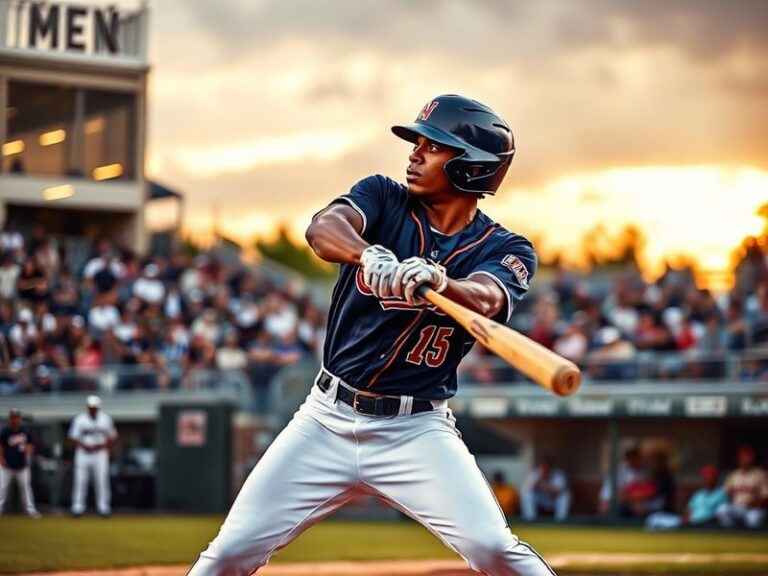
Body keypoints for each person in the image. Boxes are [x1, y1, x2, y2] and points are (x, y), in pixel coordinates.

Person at [188, 95, 555, 575]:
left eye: (433, 147)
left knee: (492, 548)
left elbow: (487, 298)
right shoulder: (383, 197)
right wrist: (367, 254)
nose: (415, 154)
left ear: (472, 168)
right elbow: (323, 228)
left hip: (416, 430)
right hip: (326, 419)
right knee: (229, 553)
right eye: (418, 143)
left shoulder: (506, 248)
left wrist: (442, 283)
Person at [68, 395, 118, 517]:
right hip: (83, 453)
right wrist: (84, 445)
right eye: (91, 407)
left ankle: (103, 507)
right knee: (81, 480)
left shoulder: (105, 419)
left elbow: (113, 437)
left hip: (100, 452)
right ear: (87, 407)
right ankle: (77, 507)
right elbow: (73, 437)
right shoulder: (80, 419)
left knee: (101, 480)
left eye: (94, 407)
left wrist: (103, 446)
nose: (92, 409)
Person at [645, 465, 727, 530]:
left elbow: (719, 515)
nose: (707, 481)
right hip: (688, 523)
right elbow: (688, 509)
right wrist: (686, 519)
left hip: (704, 525)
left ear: (715, 479)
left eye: (710, 478)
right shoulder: (699, 494)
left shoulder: (721, 494)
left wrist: (703, 522)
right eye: (705, 478)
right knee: (653, 518)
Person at [0, 409, 41, 518]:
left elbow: (31, 445)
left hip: (22, 465)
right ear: (10, 419)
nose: (15, 420)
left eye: (16, 417)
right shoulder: (5, 432)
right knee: (2, 488)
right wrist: (1, 458)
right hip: (7, 465)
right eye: (13, 418)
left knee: (26, 488)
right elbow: (1, 446)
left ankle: (30, 510)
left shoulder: (25, 431)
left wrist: (28, 453)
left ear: (20, 419)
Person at [716, 445, 768, 528]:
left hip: (754, 509)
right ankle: (730, 533)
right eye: (742, 458)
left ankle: (752, 536)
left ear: (752, 459)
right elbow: (725, 492)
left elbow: (765, 496)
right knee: (722, 510)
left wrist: (756, 503)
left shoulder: (760, 474)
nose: (745, 460)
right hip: (738, 507)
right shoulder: (734, 475)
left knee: (753, 519)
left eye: (747, 458)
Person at [521, 455, 571, 522]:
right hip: (541, 500)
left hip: (553, 501)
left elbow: (556, 492)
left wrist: (544, 484)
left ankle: (561, 521)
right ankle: (530, 520)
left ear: (551, 467)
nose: (545, 469)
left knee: (565, 495)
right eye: (543, 466)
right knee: (527, 494)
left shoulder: (558, 474)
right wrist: (538, 481)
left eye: (547, 466)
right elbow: (528, 488)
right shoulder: (535, 473)